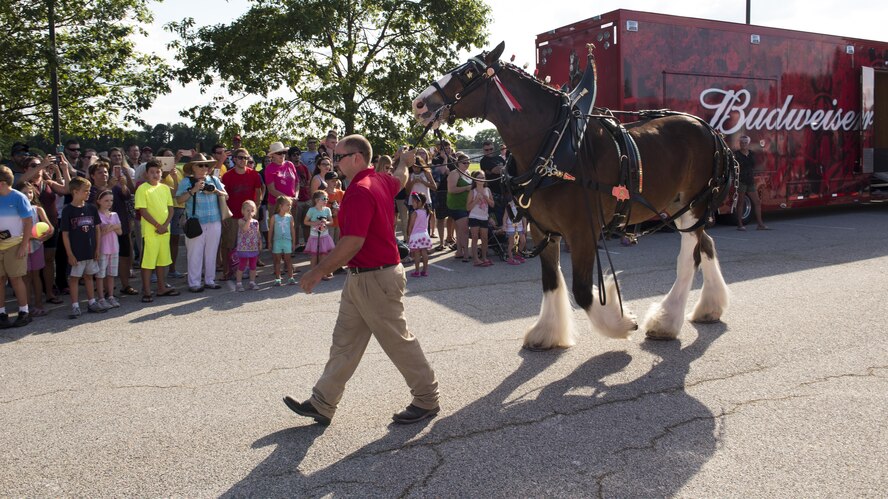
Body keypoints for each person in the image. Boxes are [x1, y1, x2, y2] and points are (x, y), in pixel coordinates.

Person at [285, 135, 439, 426]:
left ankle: (427, 399)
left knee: (398, 342)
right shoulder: (379, 180)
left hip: (375, 278)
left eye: (339, 155)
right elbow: (400, 176)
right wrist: (404, 161)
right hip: (363, 278)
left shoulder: (359, 191)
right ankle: (323, 402)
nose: (334, 159)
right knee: (344, 343)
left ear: (356, 158)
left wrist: (317, 272)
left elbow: (352, 242)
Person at [175, 158, 227, 293]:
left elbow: (226, 196)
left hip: (214, 220)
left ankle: (210, 280)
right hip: (195, 222)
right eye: (201, 165)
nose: (204, 168)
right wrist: (193, 190)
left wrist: (215, 191)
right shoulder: (186, 182)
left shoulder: (214, 180)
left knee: (211, 253)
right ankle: (194, 283)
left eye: (206, 165)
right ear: (193, 167)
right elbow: (179, 199)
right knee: (195, 253)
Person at [135, 160, 180, 301]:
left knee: (162, 261)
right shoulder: (142, 189)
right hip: (150, 232)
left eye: (158, 172)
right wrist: (157, 225)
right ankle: (147, 291)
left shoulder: (165, 188)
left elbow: (171, 209)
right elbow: (143, 211)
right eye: (152, 172)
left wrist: (165, 225)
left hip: (164, 231)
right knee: (148, 262)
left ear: (161, 173)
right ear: (146, 174)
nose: (155, 175)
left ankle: (161, 288)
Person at [61, 176, 104, 318]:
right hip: (76, 252)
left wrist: (97, 248)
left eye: (89, 190)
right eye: (85, 191)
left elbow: (97, 229)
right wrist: (70, 254)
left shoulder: (91, 208)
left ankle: (92, 302)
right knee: (74, 278)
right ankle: (75, 305)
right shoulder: (68, 210)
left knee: (89, 276)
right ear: (75, 191)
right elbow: (65, 234)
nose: (88, 193)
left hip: (90, 250)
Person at [221, 148, 263, 280]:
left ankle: (250, 270)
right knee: (229, 244)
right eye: (240, 157)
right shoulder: (227, 176)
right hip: (232, 216)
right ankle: (227, 271)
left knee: (251, 244)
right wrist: (225, 216)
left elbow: (258, 193)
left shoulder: (254, 175)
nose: (243, 160)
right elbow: (222, 197)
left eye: (245, 158)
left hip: (249, 216)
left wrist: (254, 210)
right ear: (234, 159)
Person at [0, 166, 34, 327]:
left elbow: (28, 222)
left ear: (2, 183)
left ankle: (24, 311)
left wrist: (24, 245)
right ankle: (1, 313)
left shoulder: (18, 197)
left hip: (15, 244)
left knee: (15, 278)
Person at [18, 182, 53, 318]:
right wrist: (27, 237)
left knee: (36, 276)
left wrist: (44, 236)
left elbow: (50, 228)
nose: (28, 195)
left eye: (30, 192)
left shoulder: (38, 209)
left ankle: (39, 305)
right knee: (25, 277)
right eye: (25, 193)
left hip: (37, 246)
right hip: (22, 247)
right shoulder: (15, 210)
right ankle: (26, 307)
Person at [735, 135, 770, 231]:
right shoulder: (736, 154)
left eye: (745, 142)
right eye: (742, 142)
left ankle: (760, 224)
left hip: (750, 180)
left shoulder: (751, 154)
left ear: (748, 144)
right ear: (740, 143)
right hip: (741, 180)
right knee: (741, 202)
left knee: (757, 202)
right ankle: (740, 224)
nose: (743, 144)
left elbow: (754, 165)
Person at [95, 190, 122, 309]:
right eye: (106, 200)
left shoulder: (114, 215)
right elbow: (99, 232)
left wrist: (113, 227)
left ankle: (110, 296)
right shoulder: (97, 215)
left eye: (111, 200)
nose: (109, 203)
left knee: (111, 274)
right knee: (100, 274)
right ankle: (101, 298)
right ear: (99, 201)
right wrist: (107, 229)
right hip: (102, 248)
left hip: (114, 248)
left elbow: (120, 231)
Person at [303, 190, 335, 281]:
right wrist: (314, 223)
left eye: (327, 198)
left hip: (324, 236)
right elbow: (305, 222)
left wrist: (326, 222)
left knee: (323, 255)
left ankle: (322, 273)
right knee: (314, 256)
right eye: (324, 199)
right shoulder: (311, 210)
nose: (326, 200)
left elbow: (331, 221)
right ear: (317, 200)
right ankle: (312, 273)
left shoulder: (327, 209)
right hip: (314, 236)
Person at [446, 152, 473, 262]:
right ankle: (466, 253)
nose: (467, 164)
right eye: (464, 162)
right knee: (465, 230)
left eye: (468, 162)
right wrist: (466, 188)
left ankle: (459, 251)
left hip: (466, 205)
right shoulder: (454, 173)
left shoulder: (467, 172)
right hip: (456, 205)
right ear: (458, 163)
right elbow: (451, 189)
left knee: (460, 230)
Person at [432, 140, 456, 251]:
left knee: (452, 216)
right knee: (441, 218)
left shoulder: (454, 160)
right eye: (444, 148)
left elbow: (454, 174)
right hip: (441, 191)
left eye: (448, 148)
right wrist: (445, 159)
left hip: (452, 191)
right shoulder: (435, 160)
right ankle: (441, 242)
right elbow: (441, 172)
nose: (447, 150)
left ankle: (450, 237)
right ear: (440, 149)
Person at [466, 170, 494, 267]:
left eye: (483, 177)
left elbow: (492, 204)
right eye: (480, 178)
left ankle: (484, 257)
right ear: (475, 180)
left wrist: (486, 198)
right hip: (474, 216)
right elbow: (468, 207)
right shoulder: (472, 191)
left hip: (484, 217)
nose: (482, 179)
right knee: (474, 237)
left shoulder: (488, 190)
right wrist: (476, 200)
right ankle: (476, 259)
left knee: (484, 238)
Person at [268, 195, 297, 286]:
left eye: (290, 205)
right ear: (280, 206)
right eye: (287, 205)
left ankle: (291, 278)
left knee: (288, 260)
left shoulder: (290, 217)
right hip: (277, 241)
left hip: (287, 241)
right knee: (277, 261)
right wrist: (269, 242)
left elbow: (292, 230)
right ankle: (277, 279)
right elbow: (271, 230)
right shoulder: (274, 217)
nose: (290, 207)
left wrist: (293, 242)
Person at [479, 140, 506, 228]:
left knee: (506, 212)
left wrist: (501, 168)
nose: (489, 151)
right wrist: (502, 168)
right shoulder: (484, 161)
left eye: (491, 149)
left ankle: (505, 233)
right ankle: (497, 234)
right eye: (486, 150)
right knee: (496, 214)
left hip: (504, 190)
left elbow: (506, 168)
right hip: (492, 192)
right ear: (483, 150)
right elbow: (496, 170)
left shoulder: (499, 158)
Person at [235, 200, 261, 291]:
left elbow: (257, 233)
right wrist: (249, 220)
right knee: (242, 265)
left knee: (253, 265)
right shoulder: (241, 221)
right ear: (243, 211)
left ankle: (252, 282)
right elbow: (245, 229)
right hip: (243, 247)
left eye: (252, 210)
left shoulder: (256, 222)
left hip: (253, 247)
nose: (250, 212)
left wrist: (260, 241)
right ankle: (239, 283)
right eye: (247, 210)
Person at [406, 192, 432, 277]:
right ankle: (425, 271)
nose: (412, 203)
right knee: (424, 253)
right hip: (424, 234)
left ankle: (417, 271)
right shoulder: (427, 212)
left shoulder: (415, 213)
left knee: (416, 254)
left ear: (420, 202)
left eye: (414, 201)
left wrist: (409, 236)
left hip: (415, 235)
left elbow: (410, 226)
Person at [502, 198, 527, 265]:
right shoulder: (509, 205)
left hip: (520, 226)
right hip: (511, 226)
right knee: (512, 243)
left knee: (523, 241)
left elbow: (523, 217)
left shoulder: (521, 204)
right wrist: (504, 225)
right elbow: (505, 216)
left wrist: (525, 226)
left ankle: (518, 255)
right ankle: (510, 258)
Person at [323, 171, 344, 244]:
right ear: (326, 181)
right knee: (329, 244)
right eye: (332, 181)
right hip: (328, 224)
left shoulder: (341, 193)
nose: (335, 183)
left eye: (336, 180)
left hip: (339, 223)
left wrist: (339, 210)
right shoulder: (323, 194)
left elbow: (345, 207)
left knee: (337, 244)